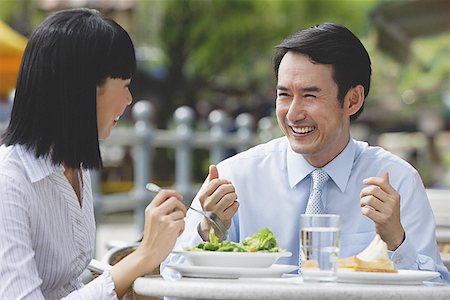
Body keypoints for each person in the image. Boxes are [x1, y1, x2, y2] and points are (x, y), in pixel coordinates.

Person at [162, 23, 450, 282]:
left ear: (352, 100)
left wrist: (395, 240)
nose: (293, 113)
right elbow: (172, 284)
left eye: (310, 96)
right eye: (284, 95)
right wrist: (206, 235)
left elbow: (436, 288)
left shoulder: (397, 181)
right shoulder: (234, 177)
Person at [0, 8, 186, 299]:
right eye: (124, 85)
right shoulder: (8, 181)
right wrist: (142, 256)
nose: (129, 100)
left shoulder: (74, 167)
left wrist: (195, 228)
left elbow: (72, 284)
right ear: (84, 89)